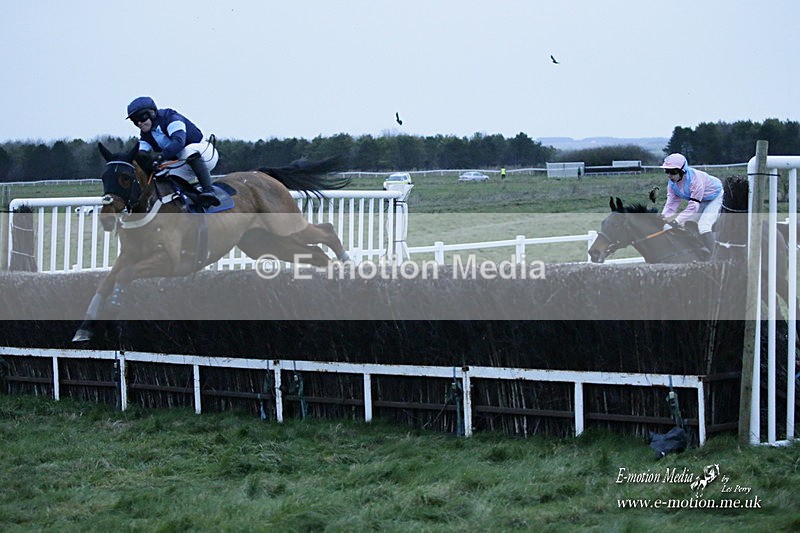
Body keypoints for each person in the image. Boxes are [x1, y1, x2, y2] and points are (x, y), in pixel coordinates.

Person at [126, 96, 220, 206]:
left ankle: (209, 191)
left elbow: (179, 142)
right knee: (161, 175)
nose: (139, 123)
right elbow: (140, 153)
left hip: (204, 153)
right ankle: (195, 198)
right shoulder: (146, 134)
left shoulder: (171, 117)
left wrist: (160, 157)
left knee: (187, 151)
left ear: (152, 113)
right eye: (135, 121)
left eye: (141, 118)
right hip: (183, 163)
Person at [660, 153, 722, 258]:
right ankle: (701, 252)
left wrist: (676, 221)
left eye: (673, 172)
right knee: (688, 224)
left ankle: (716, 258)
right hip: (701, 200)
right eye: (667, 171)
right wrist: (663, 217)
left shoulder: (695, 179)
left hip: (715, 197)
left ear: (682, 170)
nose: (669, 175)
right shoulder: (672, 184)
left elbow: (693, 206)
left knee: (704, 226)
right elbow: (671, 203)